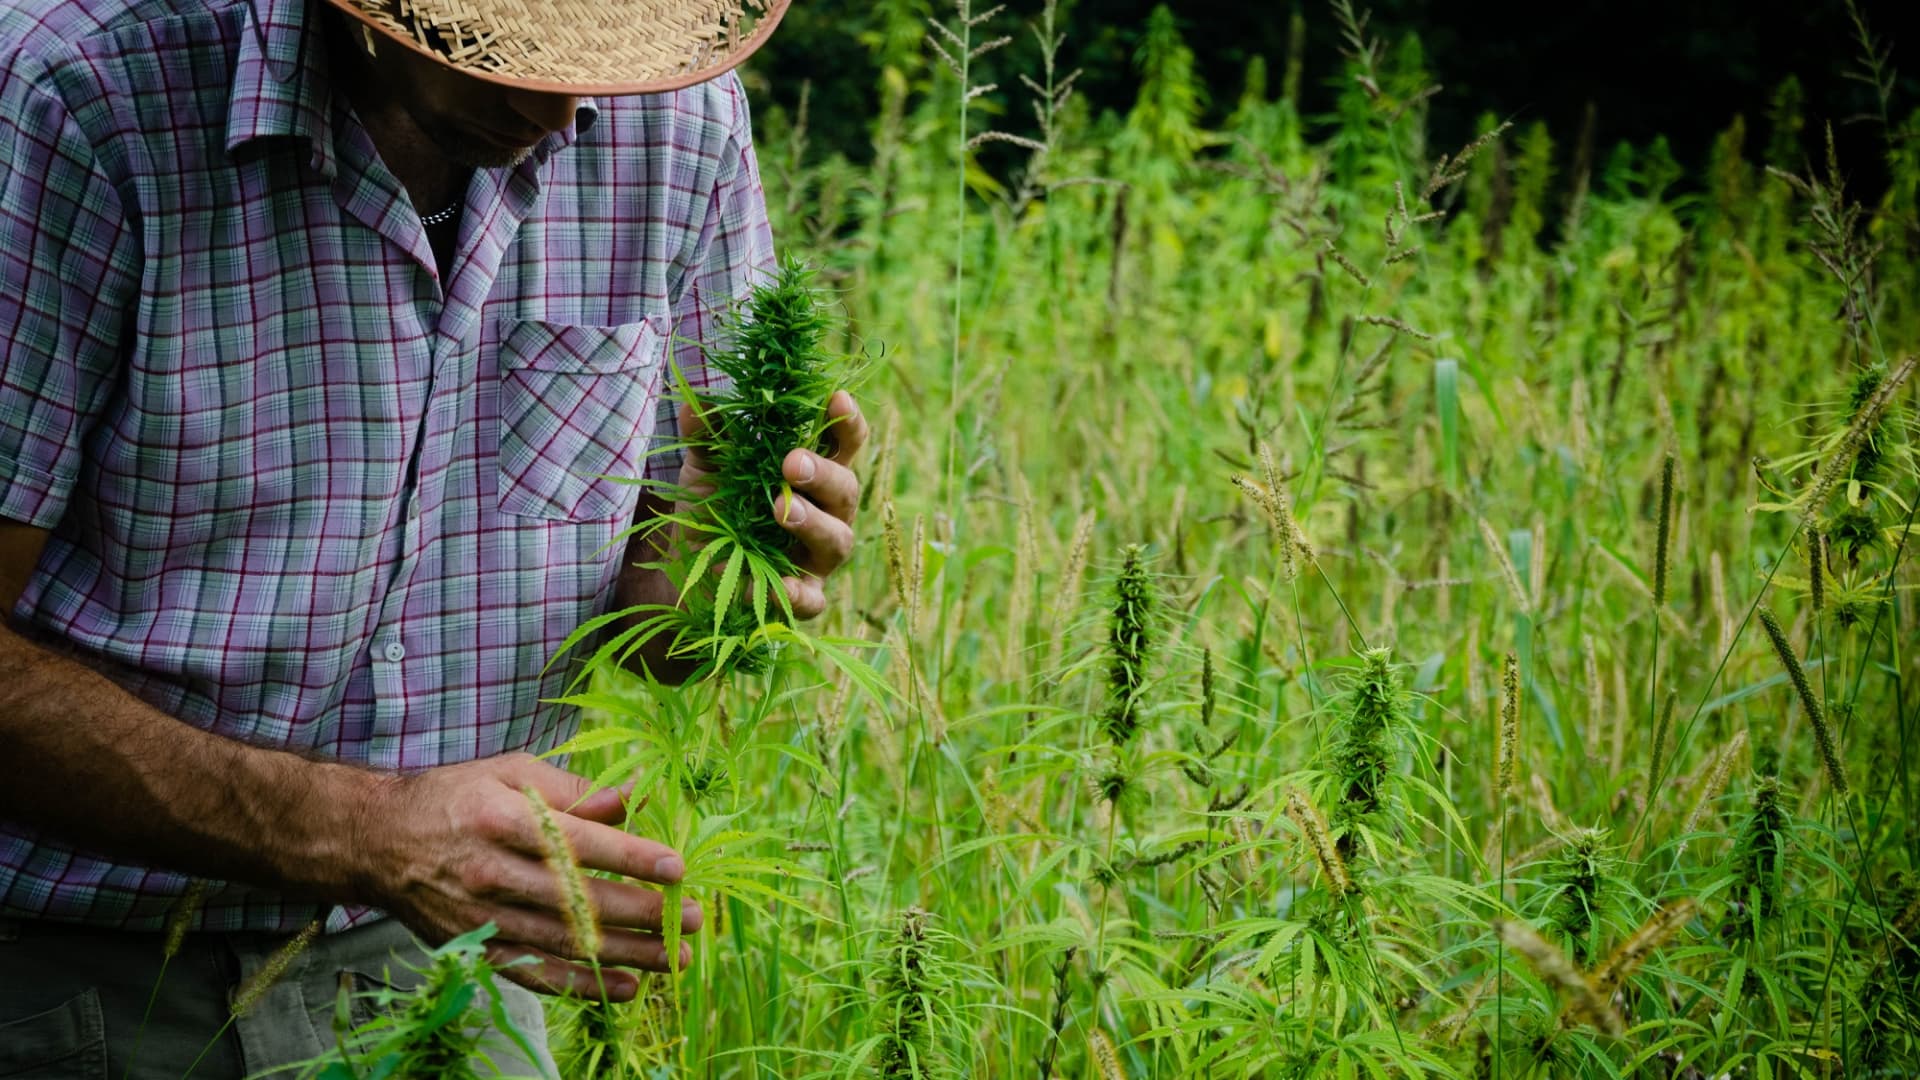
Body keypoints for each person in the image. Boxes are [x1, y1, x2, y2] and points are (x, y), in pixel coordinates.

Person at [0, 0, 865, 1074]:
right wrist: (370, 833)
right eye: (503, 48)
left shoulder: (677, 117)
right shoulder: (78, 94)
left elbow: (656, 626)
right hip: (80, 978)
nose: (567, 108)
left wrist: (728, 571)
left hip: (455, 962)